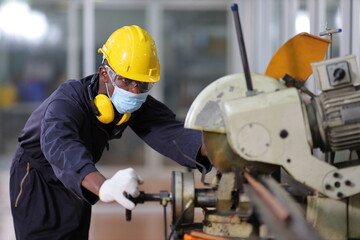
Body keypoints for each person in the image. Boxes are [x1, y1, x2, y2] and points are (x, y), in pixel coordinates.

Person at [9, 25, 211, 240]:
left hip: (79, 178)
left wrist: (223, 148)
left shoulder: (134, 101)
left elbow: (171, 132)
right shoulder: (67, 102)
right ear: (105, 74)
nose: (134, 91)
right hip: (38, 178)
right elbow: (62, 146)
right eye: (126, 80)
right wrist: (104, 185)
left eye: (143, 84)